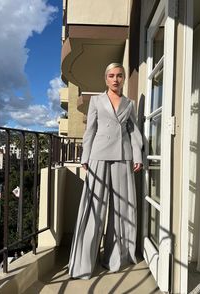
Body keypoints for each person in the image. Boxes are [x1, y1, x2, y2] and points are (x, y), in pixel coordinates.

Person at [68, 63, 143, 279]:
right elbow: (89, 130)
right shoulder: (96, 101)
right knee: (94, 207)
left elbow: (134, 131)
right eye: (111, 76)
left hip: (123, 156)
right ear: (105, 78)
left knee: (122, 208)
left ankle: (115, 257)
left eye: (119, 75)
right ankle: (84, 263)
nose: (116, 79)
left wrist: (137, 156)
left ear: (124, 78)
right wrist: (85, 157)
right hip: (99, 156)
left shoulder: (130, 103)